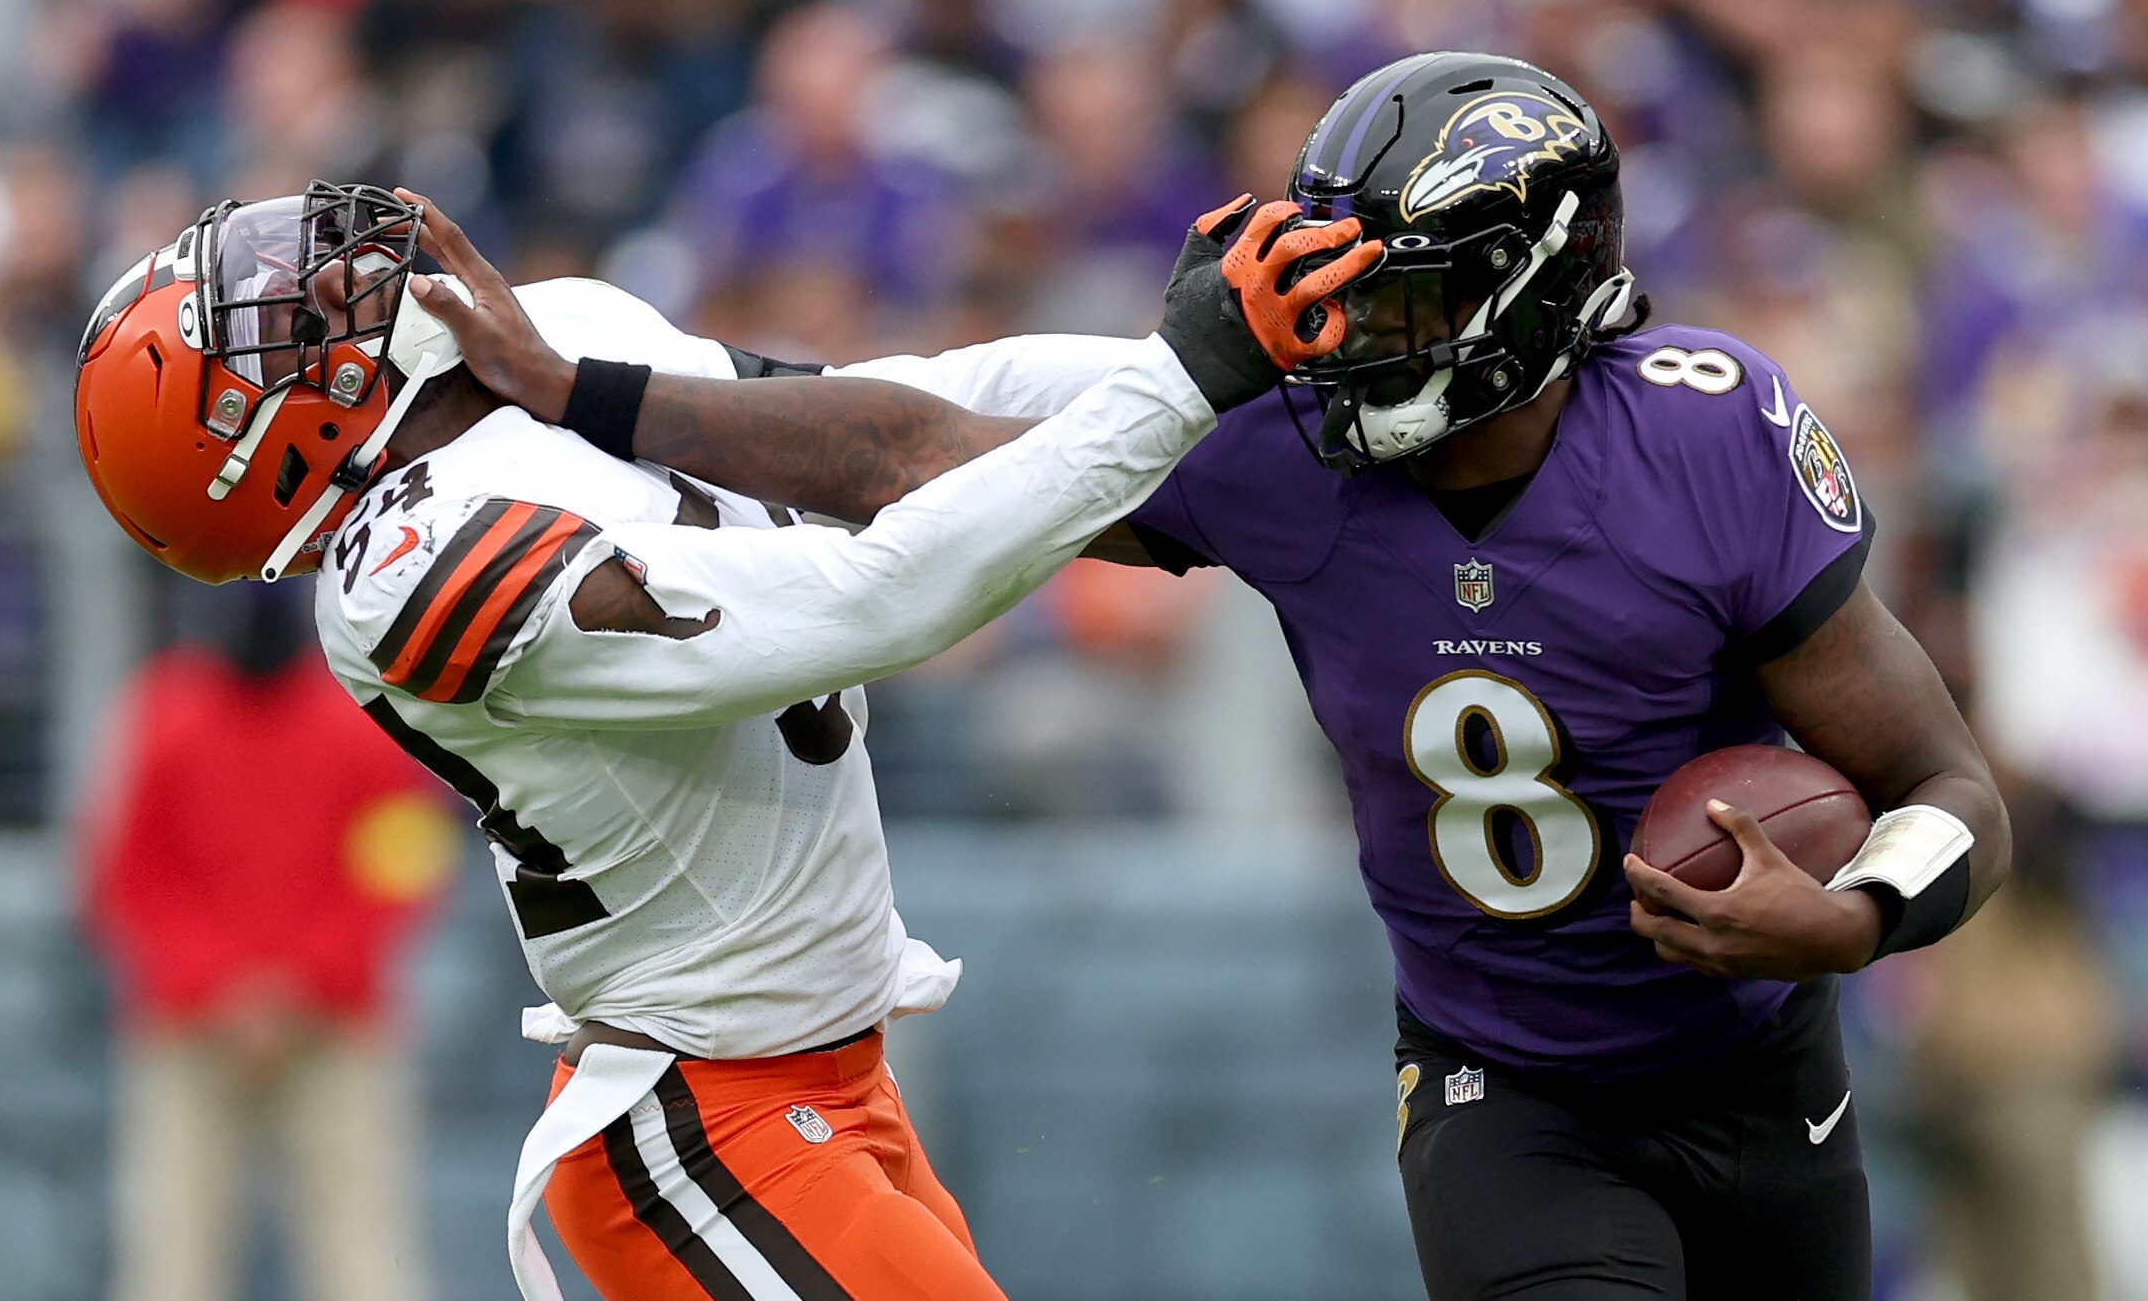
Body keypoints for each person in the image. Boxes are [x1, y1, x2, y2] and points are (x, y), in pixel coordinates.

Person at [509, 52, 2013, 1301]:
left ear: (1531, 294)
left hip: (1756, 1072)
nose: (1345, 335)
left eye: (1399, 302)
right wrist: (581, 391)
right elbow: (909, 450)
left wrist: (1845, 912)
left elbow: (1945, 785)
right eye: (1338, 287)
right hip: (1508, 1086)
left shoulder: (1702, 437)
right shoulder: (1273, 449)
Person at [71, 178, 1378, 1301]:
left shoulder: (554, 334)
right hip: (698, 1122)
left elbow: (897, 417)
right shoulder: (411, 572)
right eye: (261, 326)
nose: (310, 277)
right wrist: (1178, 379)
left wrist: (1271, 376)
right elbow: (879, 595)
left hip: (822, 1080)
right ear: (252, 451)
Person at [80, 579, 450, 1301]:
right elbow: (126, 871)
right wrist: (241, 985)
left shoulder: (350, 721)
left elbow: (403, 867)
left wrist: (280, 984)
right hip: (205, 1026)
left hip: (321, 1027)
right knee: (174, 1257)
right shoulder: (167, 714)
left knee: (360, 1255)